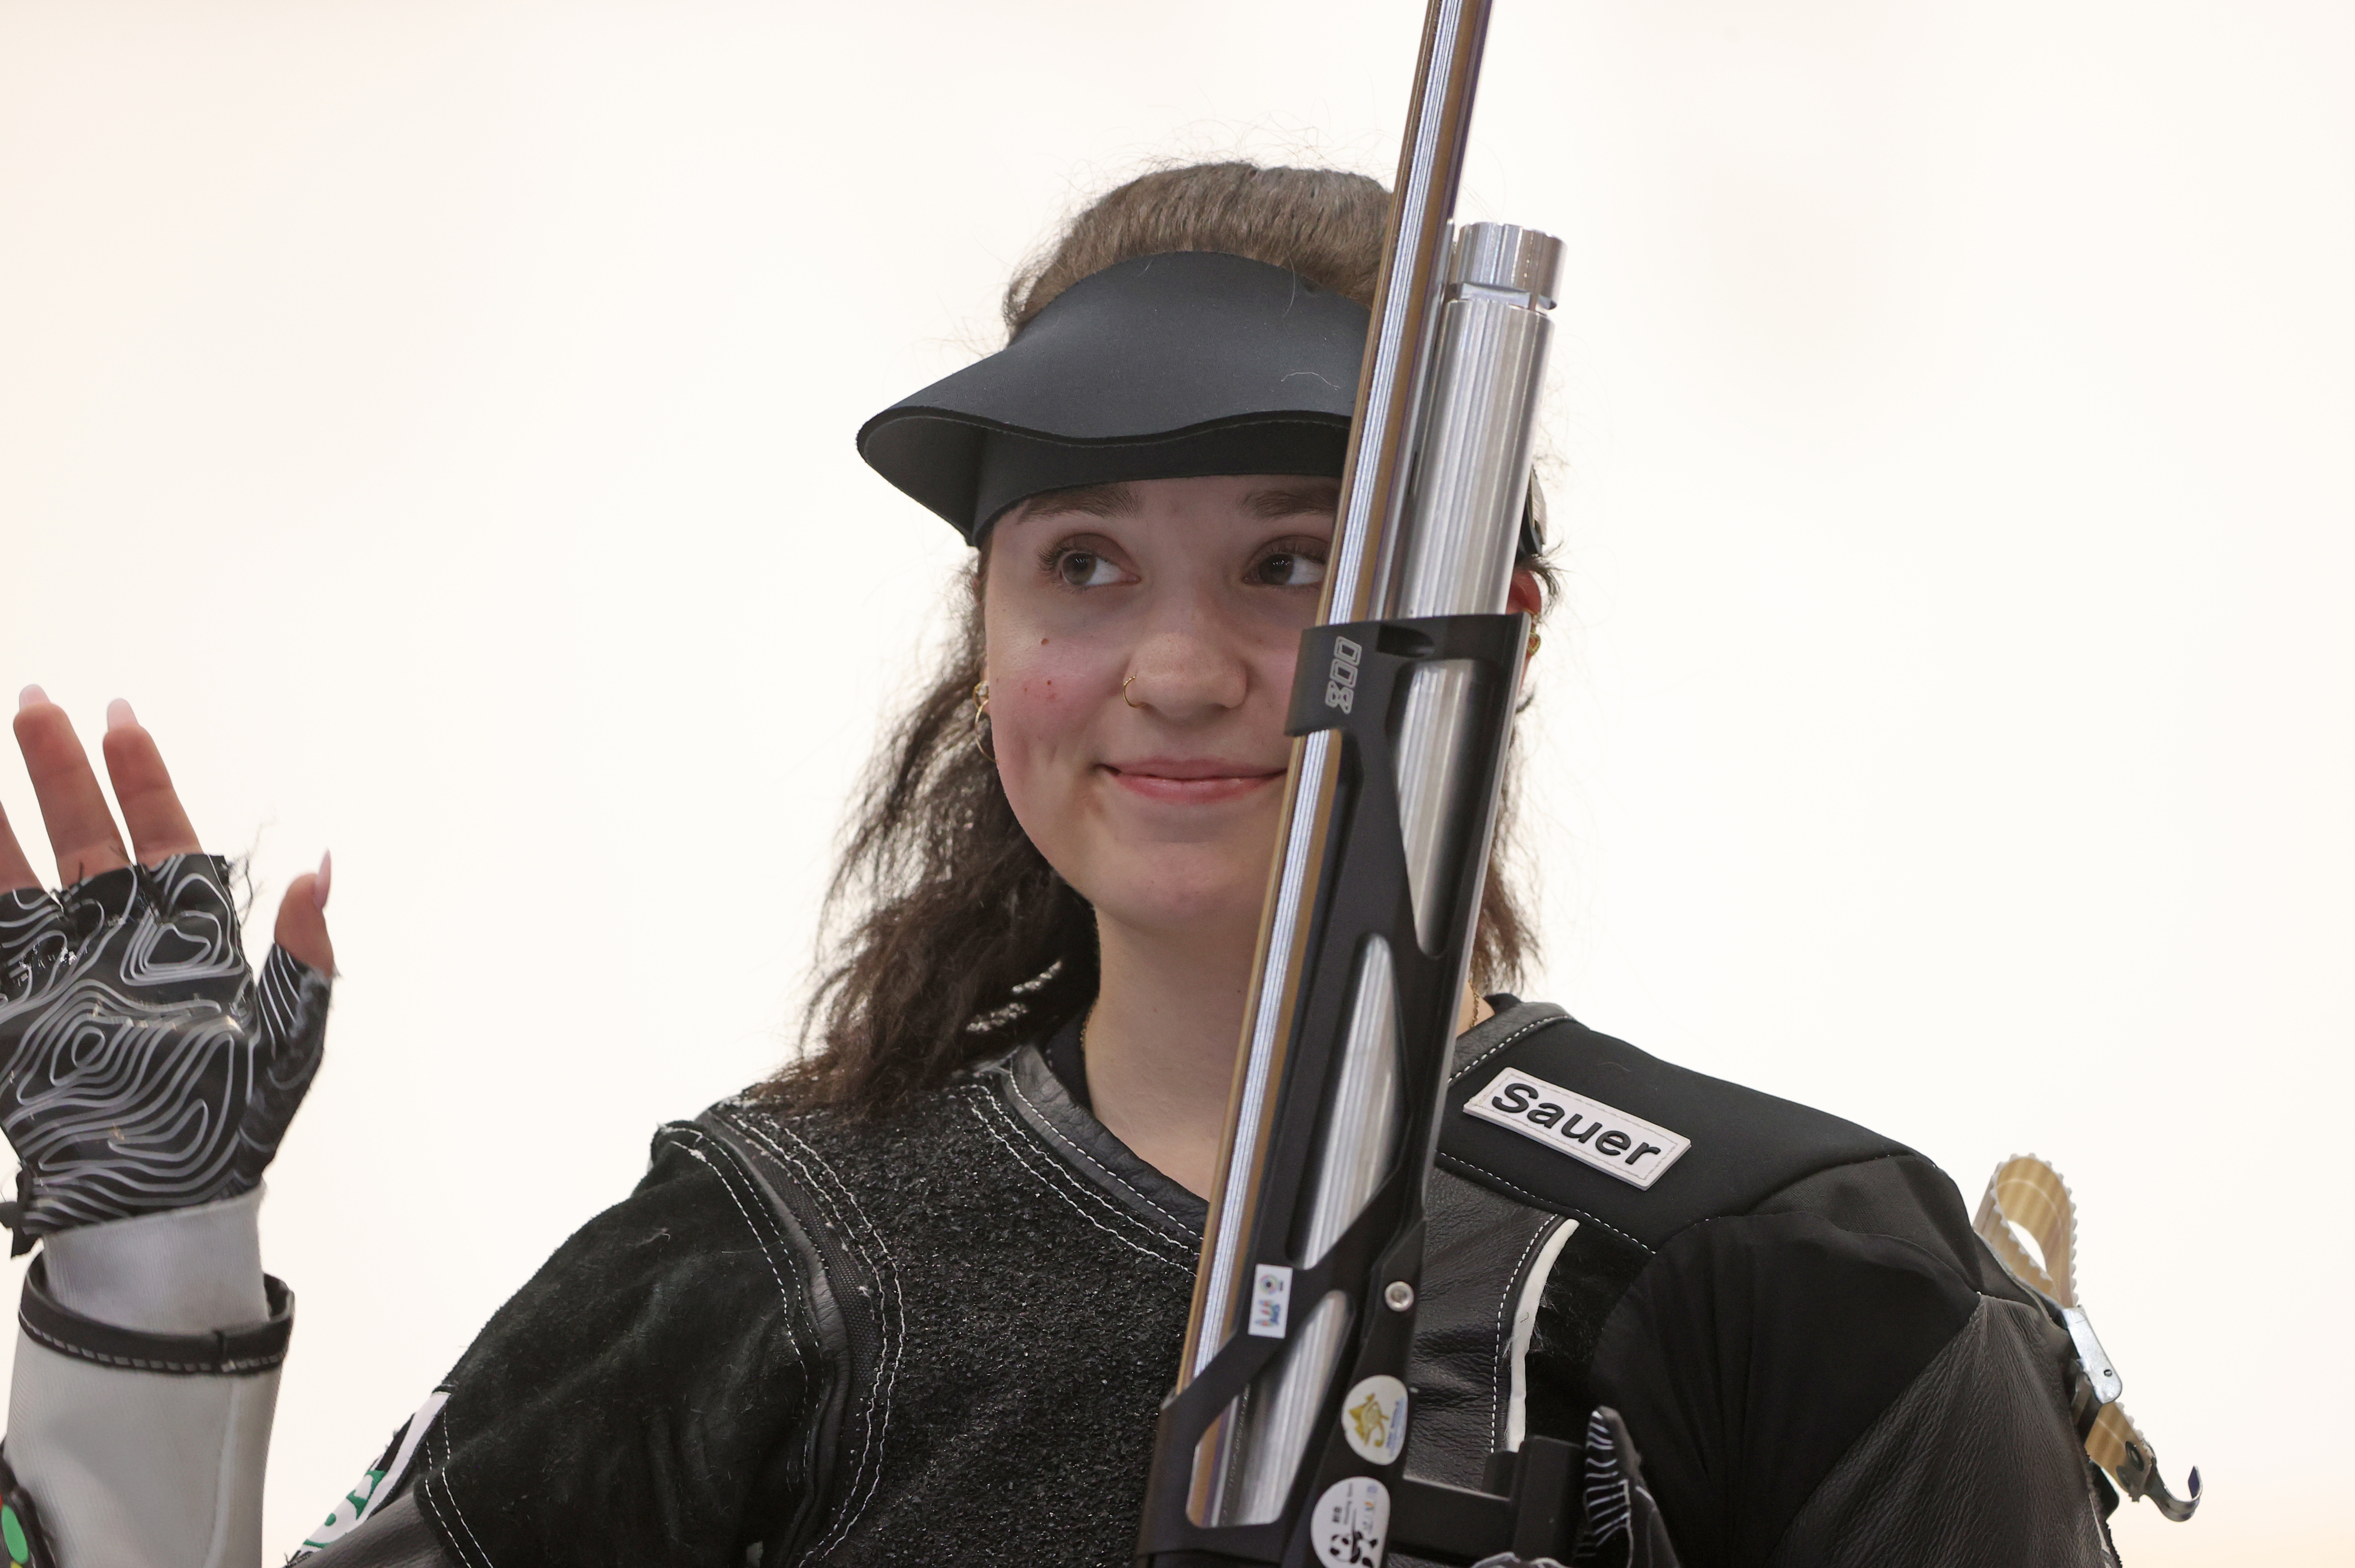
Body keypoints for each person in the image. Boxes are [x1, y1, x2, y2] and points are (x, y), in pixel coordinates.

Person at [0, 162, 2124, 1568]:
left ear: (1497, 637)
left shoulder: (1782, 1272)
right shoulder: (779, 1256)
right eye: (1085, 564)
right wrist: (147, 1269)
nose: (1178, 671)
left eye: (1294, 563)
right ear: (991, 631)